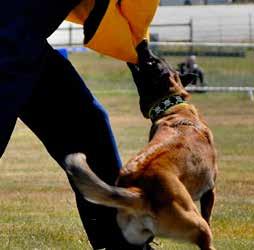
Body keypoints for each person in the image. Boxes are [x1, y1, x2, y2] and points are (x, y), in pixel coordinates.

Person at [0, 1, 161, 249]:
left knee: (86, 130)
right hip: (11, 40)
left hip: (24, 40)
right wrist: (138, 47)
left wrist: (140, 49)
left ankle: (122, 243)